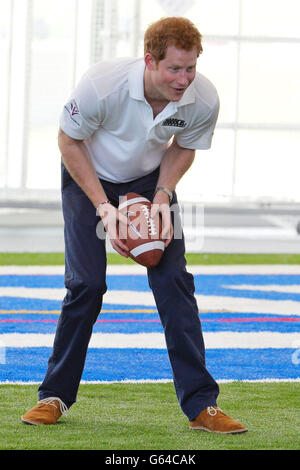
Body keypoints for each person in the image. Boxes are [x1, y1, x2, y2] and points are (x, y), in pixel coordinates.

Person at [21, 17, 247, 434]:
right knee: (86, 285)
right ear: (149, 60)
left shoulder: (203, 99)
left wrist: (162, 195)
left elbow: (184, 147)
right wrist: (104, 208)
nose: (184, 79)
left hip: (149, 181)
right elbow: (68, 140)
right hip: (88, 174)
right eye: (175, 69)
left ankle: (202, 405)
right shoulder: (102, 85)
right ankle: (53, 395)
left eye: (191, 68)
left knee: (174, 281)